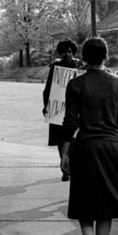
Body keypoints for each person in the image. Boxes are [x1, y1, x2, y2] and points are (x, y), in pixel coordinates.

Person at [60, 37, 118, 235]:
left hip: (86, 146)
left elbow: (69, 122)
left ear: (83, 57)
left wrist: (64, 153)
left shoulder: (76, 84)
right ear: (106, 56)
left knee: (83, 200)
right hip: (112, 146)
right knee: (106, 204)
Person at [42, 39, 80, 181]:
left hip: (73, 108)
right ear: (61, 53)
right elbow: (48, 88)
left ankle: (70, 164)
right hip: (58, 108)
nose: (67, 54)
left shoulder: (78, 66)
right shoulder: (55, 67)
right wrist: (46, 106)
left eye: (70, 51)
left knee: (73, 138)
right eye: (64, 52)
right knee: (59, 138)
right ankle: (64, 167)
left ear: (73, 52)